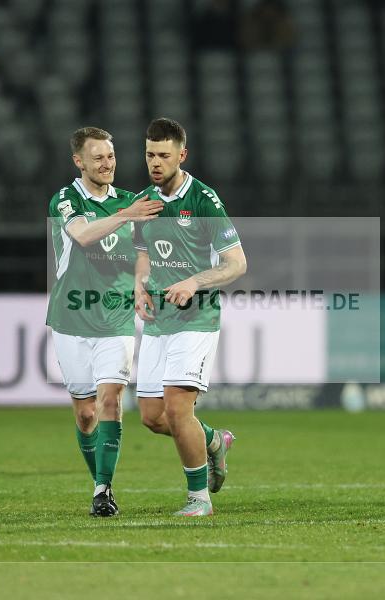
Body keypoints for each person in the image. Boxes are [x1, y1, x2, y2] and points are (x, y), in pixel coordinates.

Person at [47, 127, 163, 517]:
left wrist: (139, 284)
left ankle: (102, 489)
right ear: (79, 162)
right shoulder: (66, 200)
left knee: (111, 399)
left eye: (110, 156)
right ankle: (98, 479)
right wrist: (126, 216)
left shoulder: (132, 202)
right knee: (85, 413)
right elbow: (82, 235)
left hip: (114, 317)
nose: (107, 164)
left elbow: (143, 253)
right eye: (97, 158)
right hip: (71, 317)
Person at [134, 118, 247, 516]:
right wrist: (139, 284)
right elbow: (143, 251)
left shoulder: (203, 200)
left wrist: (193, 282)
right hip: (158, 321)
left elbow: (236, 264)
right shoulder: (145, 202)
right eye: (150, 154)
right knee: (153, 417)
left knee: (179, 409)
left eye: (164, 155)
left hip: (196, 318)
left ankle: (199, 500)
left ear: (182, 155)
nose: (156, 162)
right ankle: (214, 441)